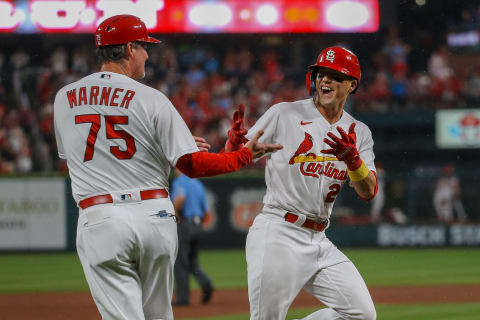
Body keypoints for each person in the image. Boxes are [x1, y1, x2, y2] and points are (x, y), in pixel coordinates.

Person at [53, 14, 282, 320]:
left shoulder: (63, 98)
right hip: (154, 216)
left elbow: (78, 158)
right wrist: (242, 155)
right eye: (144, 47)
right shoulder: (151, 98)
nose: (148, 54)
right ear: (130, 48)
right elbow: (193, 164)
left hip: (100, 218)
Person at [226, 47, 378, 320]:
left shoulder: (360, 132)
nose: (325, 81)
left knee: (362, 315)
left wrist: (354, 161)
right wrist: (234, 147)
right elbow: (238, 155)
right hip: (279, 231)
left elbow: (369, 191)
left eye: (335, 76)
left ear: (351, 85)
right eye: (321, 74)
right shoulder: (284, 113)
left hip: (319, 238)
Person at [171, 168, 213, 306]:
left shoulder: (180, 181)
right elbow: (206, 210)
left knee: (180, 262)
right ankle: (205, 282)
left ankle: (183, 298)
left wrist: (175, 214)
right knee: (192, 261)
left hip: (185, 224)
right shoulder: (197, 183)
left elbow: (180, 198)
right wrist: (200, 224)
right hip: (197, 224)